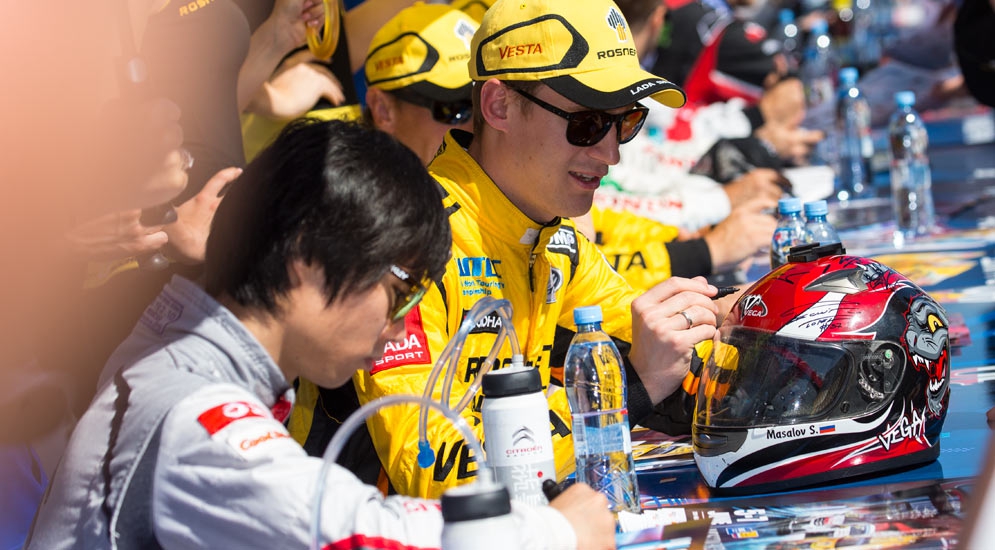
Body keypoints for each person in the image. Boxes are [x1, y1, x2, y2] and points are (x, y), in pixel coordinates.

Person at [26, 119, 614, 550]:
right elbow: (355, 531)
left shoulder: (177, 344)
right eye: (400, 291)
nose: (398, 326)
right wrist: (556, 532)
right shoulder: (193, 413)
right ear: (306, 258)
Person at [294, 0, 723, 500]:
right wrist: (630, 386)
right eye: (587, 124)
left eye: (624, 122)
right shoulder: (404, 242)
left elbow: (676, 365)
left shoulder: (554, 239)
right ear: (498, 105)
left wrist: (743, 330)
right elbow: (435, 472)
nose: (610, 153)